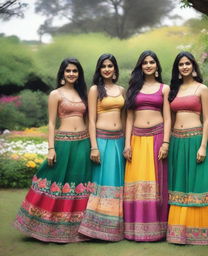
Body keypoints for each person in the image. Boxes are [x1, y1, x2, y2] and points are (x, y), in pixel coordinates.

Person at [14, 58, 92, 243]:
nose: (72, 74)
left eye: (75, 71)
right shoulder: (55, 94)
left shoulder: (83, 94)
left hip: (82, 142)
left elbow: (89, 120)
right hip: (63, 142)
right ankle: (43, 226)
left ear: (79, 74)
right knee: (56, 179)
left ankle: (76, 229)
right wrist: (51, 148)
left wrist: (92, 144)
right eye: (68, 71)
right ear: (62, 74)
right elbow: (50, 123)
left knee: (78, 182)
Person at [167, 51, 208, 245]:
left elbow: (207, 118)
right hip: (177, 141)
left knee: (200, 182)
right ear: (177, 68)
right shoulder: (173, 90)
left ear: (193, 66)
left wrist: (203, 146)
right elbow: (169, 117)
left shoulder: (202, 88)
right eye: (181, 64)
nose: (184, 67)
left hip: (195, 140)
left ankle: (206, 230)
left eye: (187, 63)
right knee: (181, 184)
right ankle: (180, 231)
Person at [123, 50, 171, 241]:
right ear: (140, 66)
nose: (149, 65)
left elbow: (168, 118)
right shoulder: (133, 89)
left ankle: (157, 229)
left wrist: (166, 143)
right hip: (137, 139)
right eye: (145, 63)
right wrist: (127, 144)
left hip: (158, 138)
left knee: (157, 185)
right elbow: (129, 119)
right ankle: (135, 229)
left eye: (152, 62)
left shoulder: (164, 89)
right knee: (136, 184)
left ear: (157, 66)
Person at [78, 54, 125, 241]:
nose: (107, 69)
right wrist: (94, 147)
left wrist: (126, 142)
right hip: (102, 140)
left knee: (116, 182)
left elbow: (124, 117)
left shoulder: (122, 89)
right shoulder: (95, 90)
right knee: (102, 181)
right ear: (99, 69)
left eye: (110, 66)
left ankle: (114, 228)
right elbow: (90, 119)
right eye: (103, 66)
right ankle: (96, 227)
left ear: (115, 69)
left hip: (118, 140)